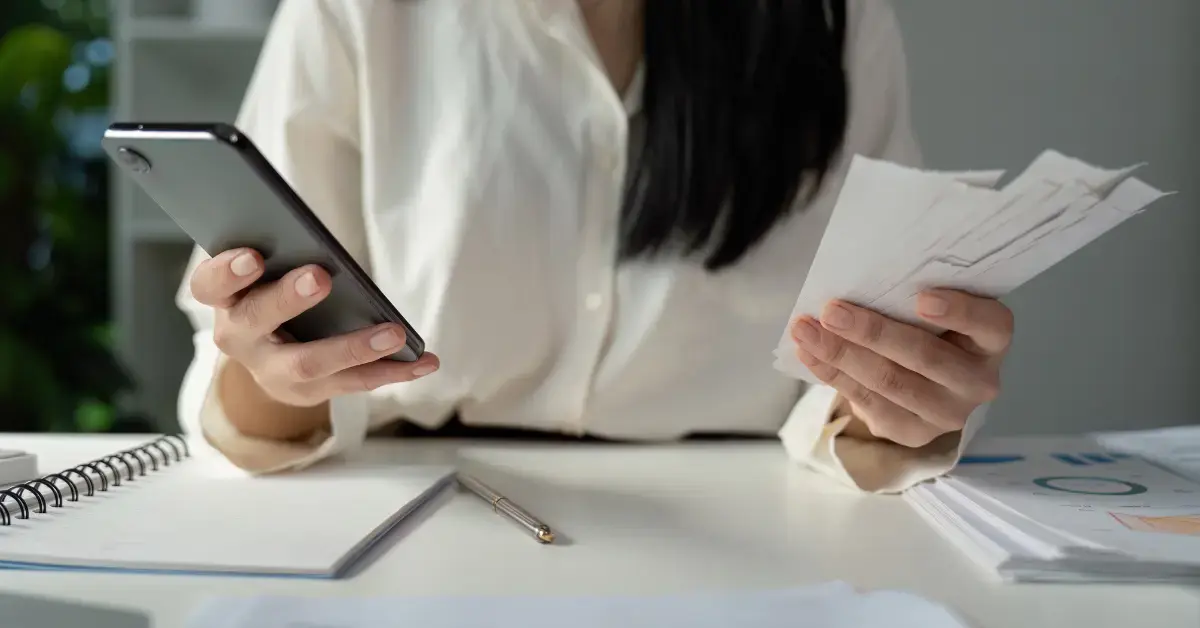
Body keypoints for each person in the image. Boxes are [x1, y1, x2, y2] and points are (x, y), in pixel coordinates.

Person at [176, 0, 1014, 493]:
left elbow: (863, 377)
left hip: (751, 515)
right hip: (413, 499)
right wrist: (270, 374)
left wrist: (902, 405)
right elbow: (254, 372)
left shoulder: (829, 20)